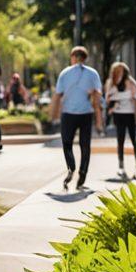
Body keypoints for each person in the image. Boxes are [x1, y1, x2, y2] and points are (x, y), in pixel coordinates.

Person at [52, 46, 103, 192]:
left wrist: (53, 114)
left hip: (68, 114)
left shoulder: (65, 73)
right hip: (86, 114)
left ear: (73, 57)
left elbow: (57, 95)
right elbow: (97, 96)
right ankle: (82, 175)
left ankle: (71, 167)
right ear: (85, 58)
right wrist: (99, 120)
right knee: (85, 145)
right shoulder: (93, 73)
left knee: (67, 143)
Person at [105, 61, 136, 178]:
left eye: (121, 70)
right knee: (120, 140)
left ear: (125, 71)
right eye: (117, 70)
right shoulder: (111, 83)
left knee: (133, 138)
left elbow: (134, 94)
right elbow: (107, 98)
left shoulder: (130, 82)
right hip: (118, 115)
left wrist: (116, 97)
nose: (119, 72)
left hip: (129, 114)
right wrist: (115, 99)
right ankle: (121, 166)